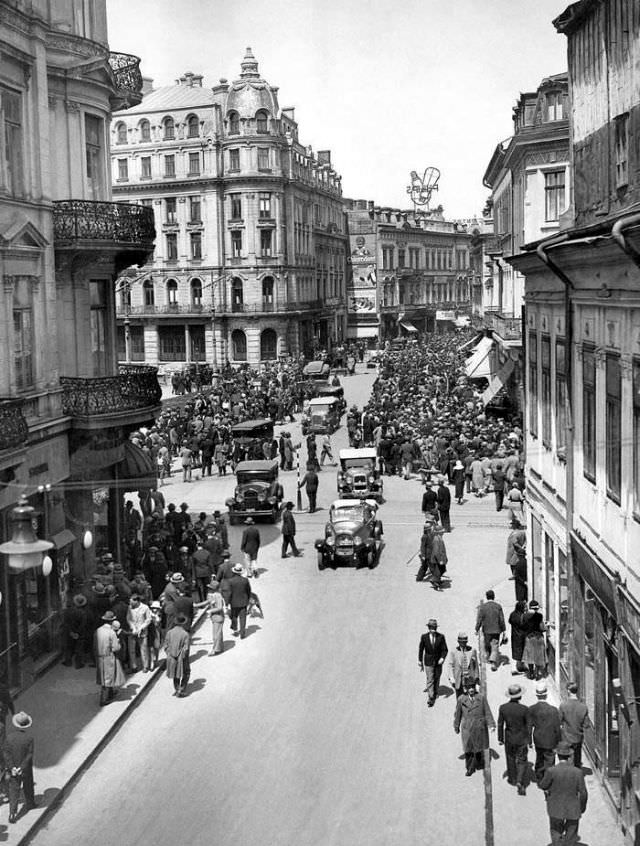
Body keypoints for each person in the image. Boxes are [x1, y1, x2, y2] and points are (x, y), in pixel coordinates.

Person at [539, 740, 588, 846]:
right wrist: (582, 807)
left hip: (555, 807)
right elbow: (583, 793)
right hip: (573, 808)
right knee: (571, 836)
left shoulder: (551, 771)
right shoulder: (577, 772)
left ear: (557, 755)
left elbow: (543, 785)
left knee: (556, 832)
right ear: (570, 756)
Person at [453, 676, 495, 776]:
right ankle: (470, 768)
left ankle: (479, 763)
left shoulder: (481, 698)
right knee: (469, 749)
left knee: (479, 747)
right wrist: (456, 725)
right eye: (469, 687)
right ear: (465, 689)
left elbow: (487, 711)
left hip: (479, 726)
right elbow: (458, 714)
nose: (471, 689)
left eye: (472, 687)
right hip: (467, 727)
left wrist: (491, 724)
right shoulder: (461, 699)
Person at [498, 683, 530, 795]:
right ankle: (520, 780)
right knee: (522, 760)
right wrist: (529, 741)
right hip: (521, 739)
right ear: (519, 696)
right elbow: (528, 726)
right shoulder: (524, 709)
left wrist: (500, 738)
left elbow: (500, 724)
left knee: (510, 758)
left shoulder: (503, 708)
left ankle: (512, 778)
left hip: (509, 738)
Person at [4, 711, 35, 823]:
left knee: (14, 790)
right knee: (28, 786)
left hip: (13, 770)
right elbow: (29, 754)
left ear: (15, 724)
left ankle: (12, 813)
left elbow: (6, 753)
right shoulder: (29, 738)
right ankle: (30, 804)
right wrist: (21, 767)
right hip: (25, 769)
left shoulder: (9, 738)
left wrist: (12, 767)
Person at [528, 682, 562, 784]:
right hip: (551, 740)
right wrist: (559, 742)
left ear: (537, 695)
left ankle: (539, 775)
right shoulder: (554, 710)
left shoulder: (531, 709)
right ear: (546, 695)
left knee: (539, 756)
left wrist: (529, 741)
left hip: (538, 739)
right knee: (550, 759)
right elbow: (557, 728)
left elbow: (529, 726)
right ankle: (549, 778)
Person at [94, 610, 125, 706]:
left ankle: (110, 694)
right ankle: (103, 699)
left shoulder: (97, 630)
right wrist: (119, 641)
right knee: (108, 677)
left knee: (103, 676)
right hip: (109, 656)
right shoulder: (112, 633)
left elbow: (94, 645)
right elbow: (116, 648)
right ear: (112, 621)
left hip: (99, 656)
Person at [558, 682, 590, 770]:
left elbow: (559, 721)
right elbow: (586, 725)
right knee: (577, 758)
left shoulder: (563, 705)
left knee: (567, 758)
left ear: (568, 691)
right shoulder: (583, 707)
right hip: (578, 737)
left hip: (566, 737)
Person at [418, 619, 448, 708]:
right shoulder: (424, 637)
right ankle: (431, 697)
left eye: (434, 627)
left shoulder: (441, 637)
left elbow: (445, 649)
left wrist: (442, 658)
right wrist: (420, 660)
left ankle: (435, 690)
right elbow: (421, 649)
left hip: (438, 662)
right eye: (431, 627)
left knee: (437, 677)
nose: (433, 629)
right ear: (428, 628)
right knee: (430, 678)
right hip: (428, 661)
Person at [475, 589, 506, 671]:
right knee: (495, 645)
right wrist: (504, 630)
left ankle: (489, 658)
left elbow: (479, 619)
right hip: (496, 630)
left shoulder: (483, 607)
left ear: (487, 597)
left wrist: (477, 628)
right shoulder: (498, 606)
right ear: (494, 597)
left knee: (487, 644)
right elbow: (501, 619)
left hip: (486, 630)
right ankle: (493, 662)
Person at [164, 613, 191, 697]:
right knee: (186, 672)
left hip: (171, 657)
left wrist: (169, 653)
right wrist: (182, 655)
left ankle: (177, 688)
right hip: (182, 657)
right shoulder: (185, 634)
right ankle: (182, 688)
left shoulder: (169, 633)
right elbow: (186, 648)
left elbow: (165, 645)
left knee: (175, 673)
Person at [522, 599, 547, 680]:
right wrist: (546, 627)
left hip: (529, 638)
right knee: (538, 656)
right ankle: (537, 673)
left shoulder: (524, 616)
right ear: (536, 608)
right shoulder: (539, 616)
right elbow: (542, 628)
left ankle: (531, 673)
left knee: (530, 656)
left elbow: (523, 627)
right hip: (538, 638)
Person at [126, 593, 152, 673]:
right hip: (132, 631)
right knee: (131, 650)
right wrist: (133, 627)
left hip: (142, 632)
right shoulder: (130, 608)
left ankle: (145, 666)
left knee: (143, 649)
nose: (130, 603)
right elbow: (128, 618)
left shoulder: (145, 608)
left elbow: (148, 619)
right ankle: (134, 666)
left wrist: (141, 628)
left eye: (132, 601)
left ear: (137, 601)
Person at [448, 633, 478, 698]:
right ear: (458, 642)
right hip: (459, 679)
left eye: (465, 642)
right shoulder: (454, 652)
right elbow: (450, 665)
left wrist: (477, 677)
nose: (463, 643)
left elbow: (476, 666)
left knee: (471, 698)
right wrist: (451, 678)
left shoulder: (472, 650)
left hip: (470, 679)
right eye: (461, 642)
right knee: (460, 698)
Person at [227, 562, 252, 639]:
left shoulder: (230, 581)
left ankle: (235, 629)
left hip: (234, 602)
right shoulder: (245, 580)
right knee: (243, 617)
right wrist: (247, 599)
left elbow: (229, 593)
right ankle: (242, 633)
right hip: (243, 601)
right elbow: (249, 591)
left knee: (234, 616)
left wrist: (228, 602)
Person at [508, 600, 528, 675]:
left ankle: (519, 667)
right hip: (522, 636)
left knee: (516, 651)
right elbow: (525, 625)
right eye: (525, 607)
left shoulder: (513, 614)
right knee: (522, 651)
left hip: (515, 635)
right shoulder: (522, 616)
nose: (526, 608)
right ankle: (517, 667)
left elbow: (510, 621)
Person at [429, 524, 448, 590]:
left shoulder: (439, 538)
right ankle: (434, 580)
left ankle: (437, 580)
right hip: (437, 559)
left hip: (440, 558)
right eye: (442, 531)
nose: (443, 532)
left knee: (442, 569)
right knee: (439, 570)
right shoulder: (436, 540)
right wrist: (440, 560)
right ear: (439, 532)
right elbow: (436, 552)